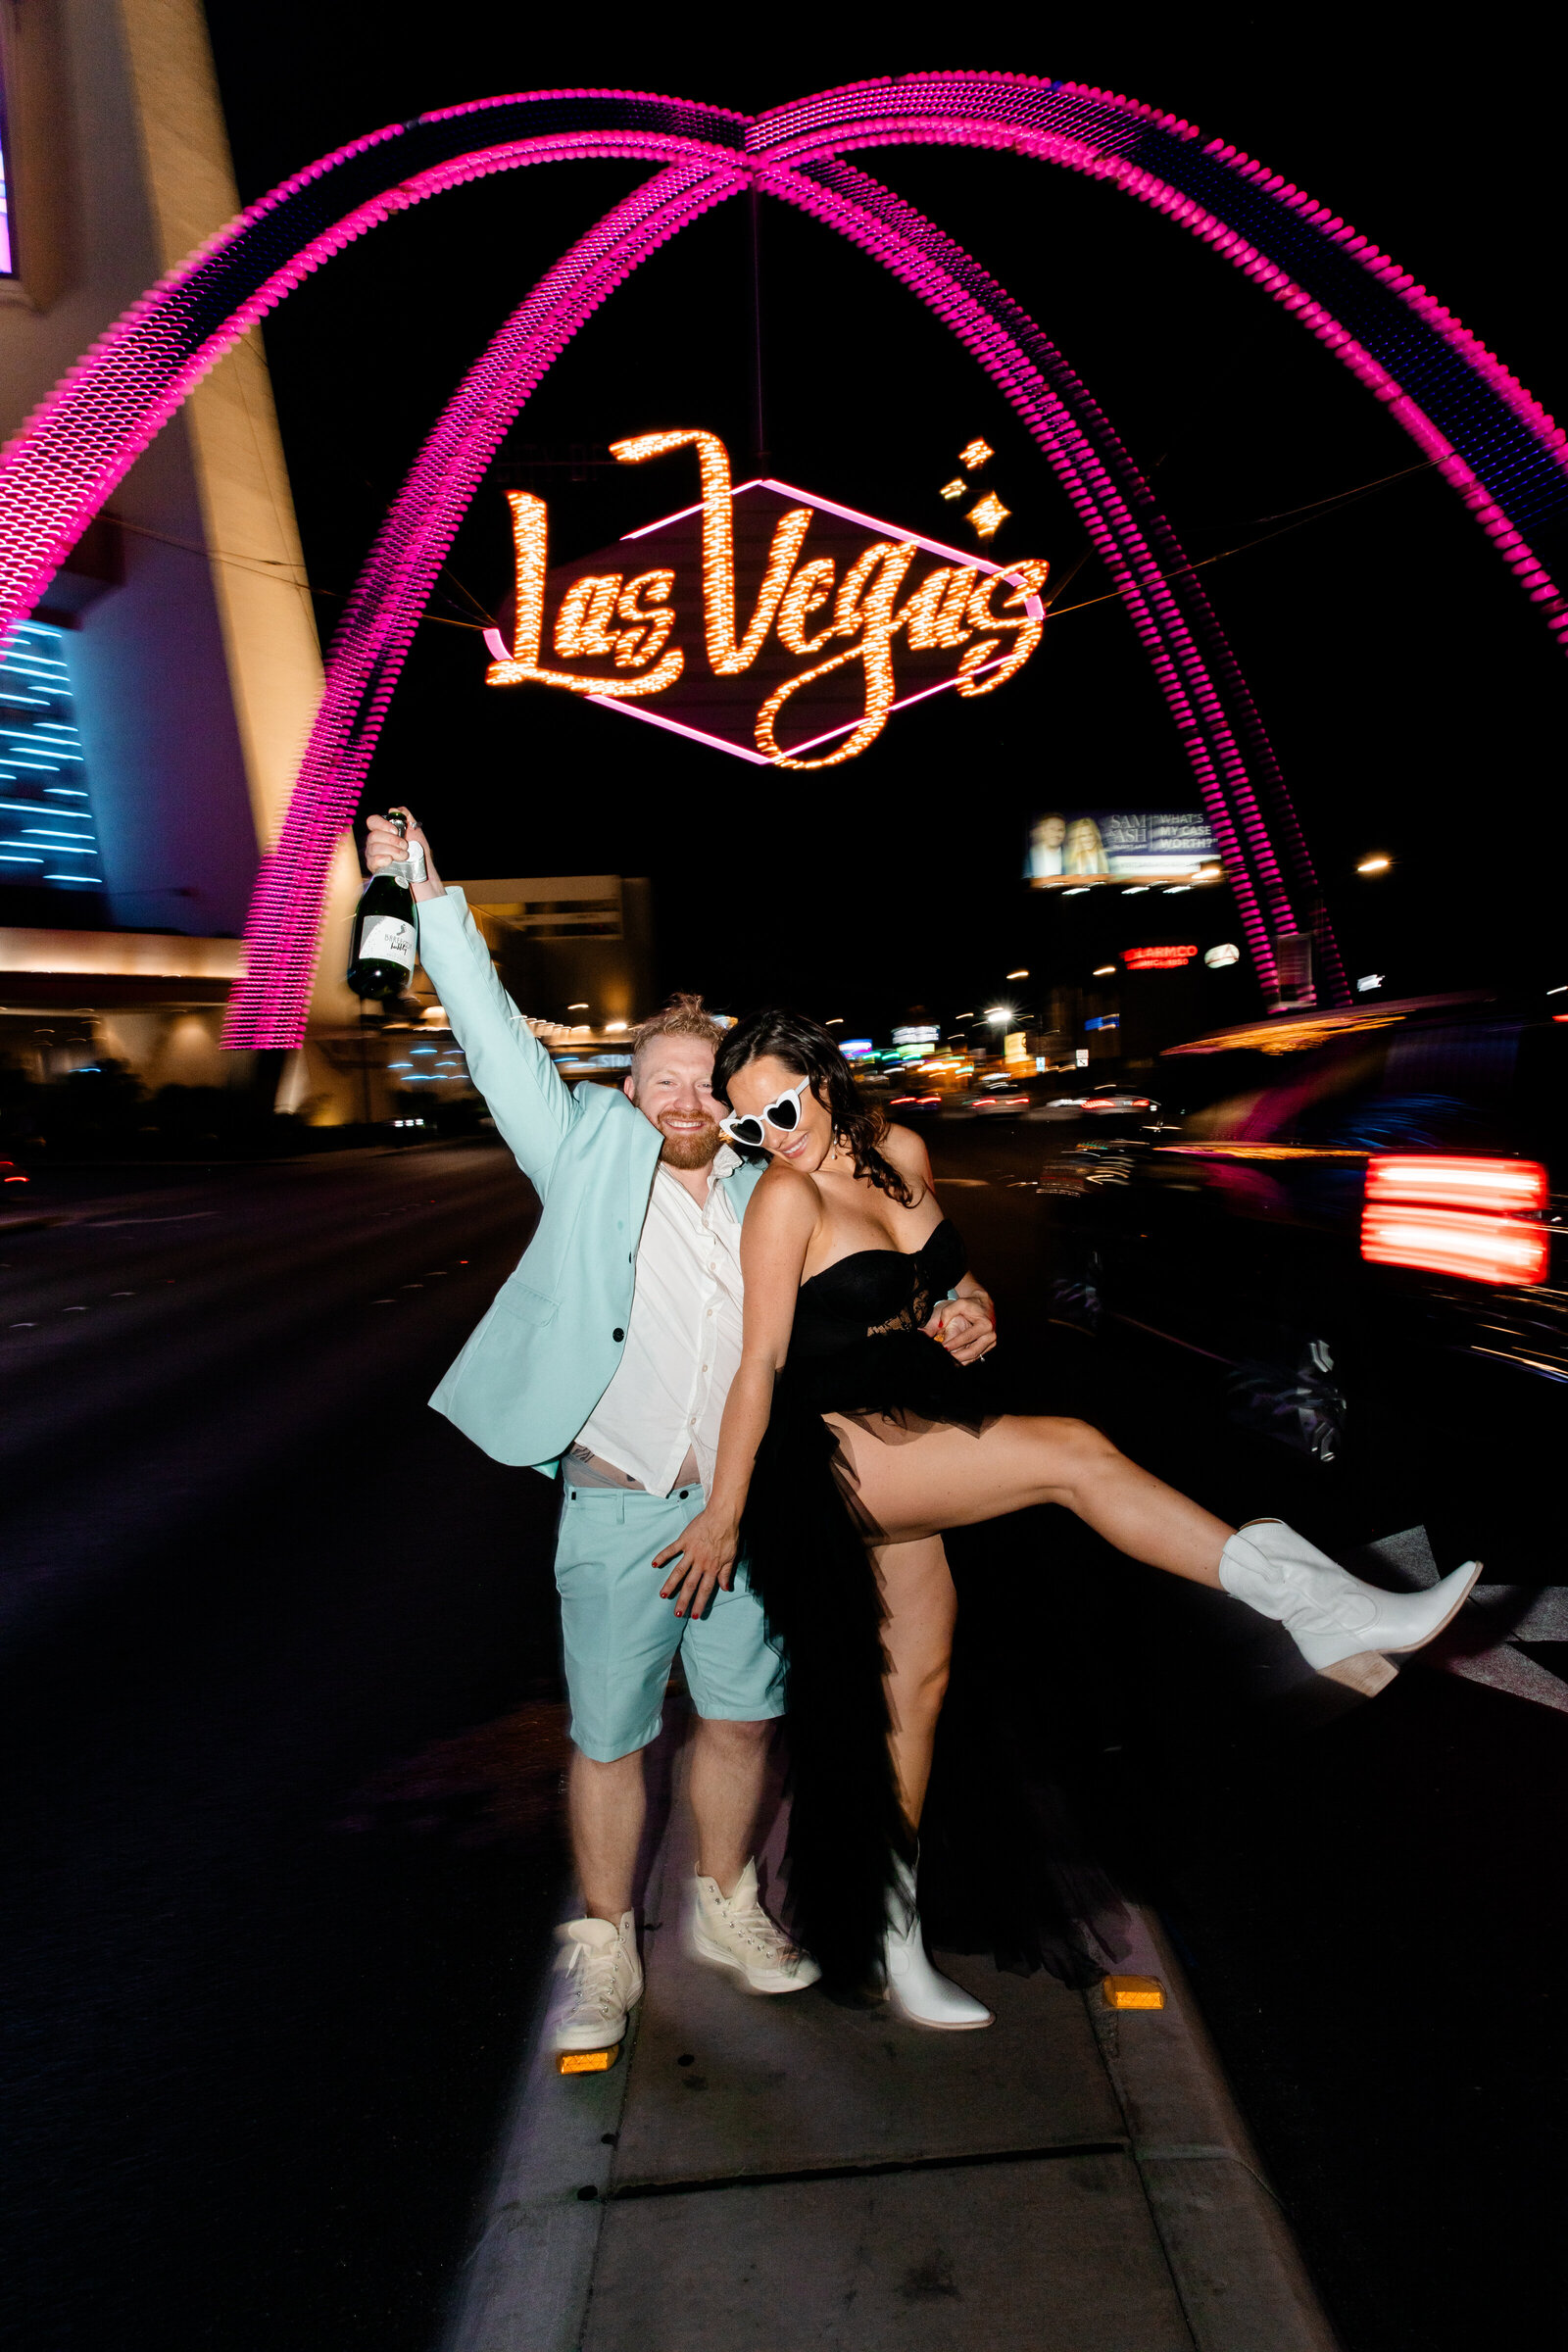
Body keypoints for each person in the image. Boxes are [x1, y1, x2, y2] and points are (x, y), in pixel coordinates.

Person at [653, 1010, 1482, 2026]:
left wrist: (968, 1311)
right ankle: (1319, 1606)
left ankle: (887, 1935)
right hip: (823, 1452)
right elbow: (759, 1365)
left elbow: (947, 1284)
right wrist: (724, 1513)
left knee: (917, 1685)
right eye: (746, 1126)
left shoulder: (899, 1153)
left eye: (778, 1107)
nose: (768, 1135)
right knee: (1073, 1455)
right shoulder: (783, 1196)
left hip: (907, 1424)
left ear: (824, 1081)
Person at [362, 812, 819, 2064]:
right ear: (630, 1091)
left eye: (701, 1078)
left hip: (739, 1506)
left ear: (727, 1090)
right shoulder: (580, 1154)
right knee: (610, 1738)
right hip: (618, 1506)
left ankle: (726, 1906)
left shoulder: (766, 1192)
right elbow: (494, 1033)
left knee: (739, 1722)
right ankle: (606, 1942)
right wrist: (427, 891)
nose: (683, 1098)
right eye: (661, 1078)